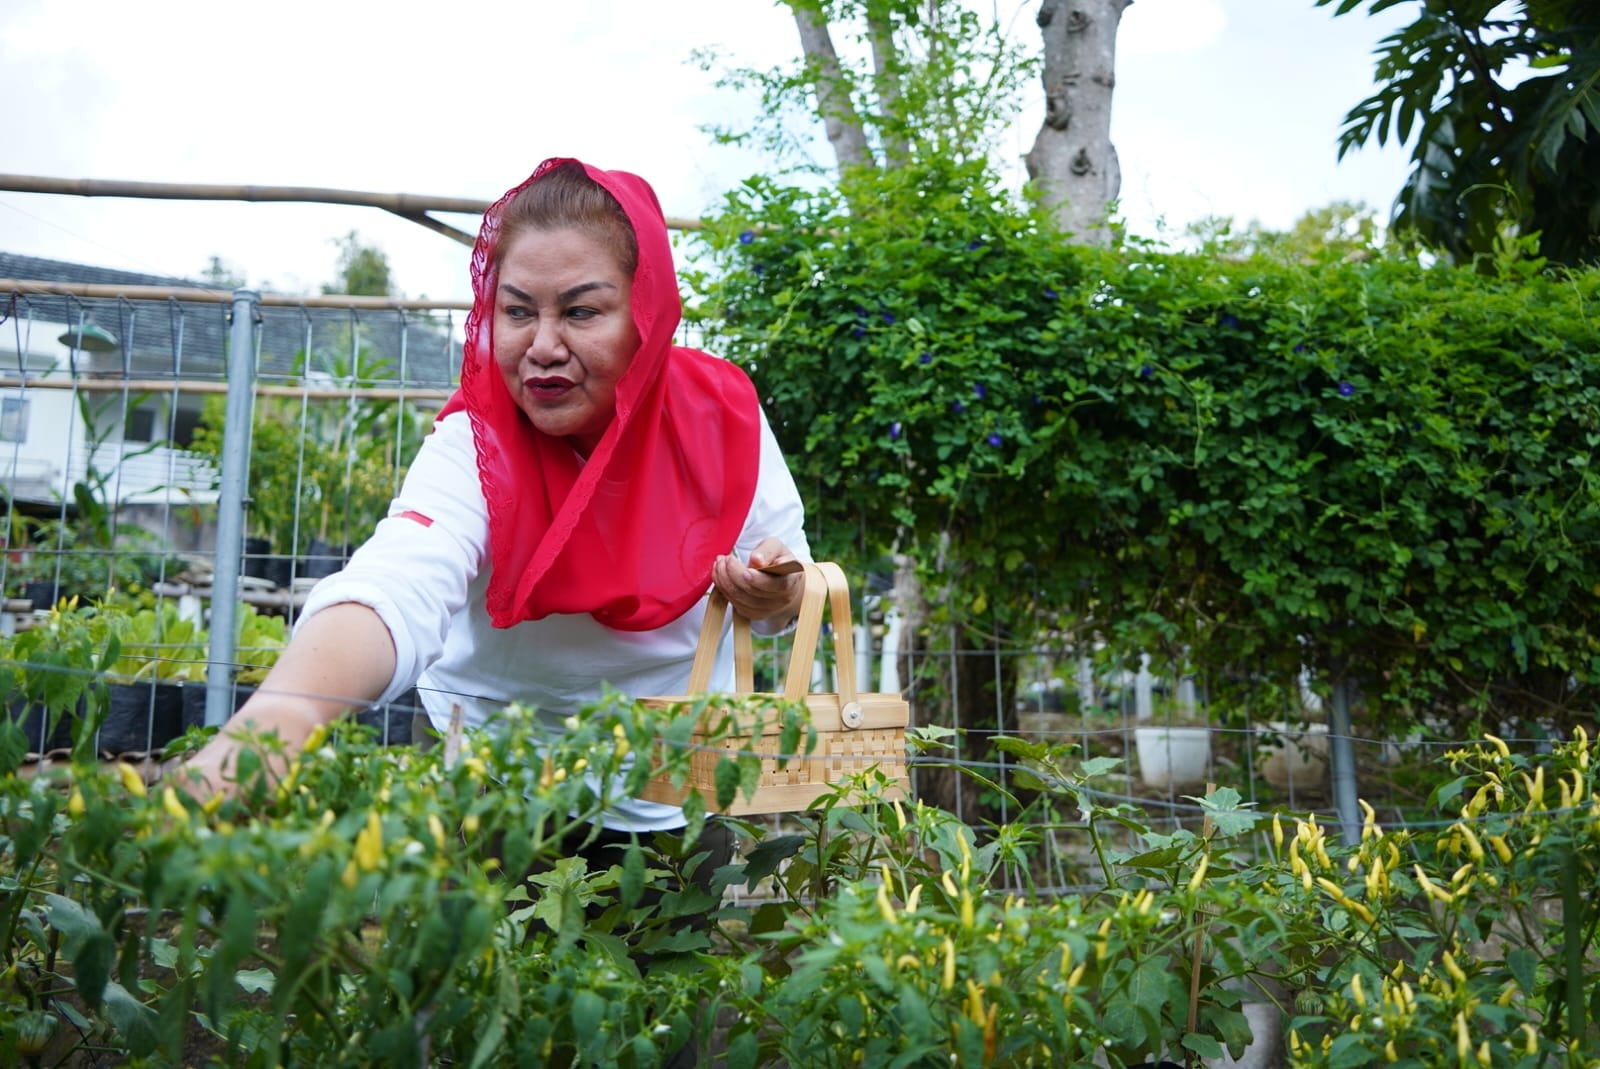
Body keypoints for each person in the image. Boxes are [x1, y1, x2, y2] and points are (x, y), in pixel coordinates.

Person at [178, 156, 809, 841]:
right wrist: (283, 720)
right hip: (489, 786)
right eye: (516, 311)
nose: (542, 346)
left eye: (580, 311)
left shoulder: (722, 420)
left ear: (645, 314)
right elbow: (402, 576)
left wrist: (777, 592)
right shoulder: (477, 441)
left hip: (676, 794)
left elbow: (786, 578)